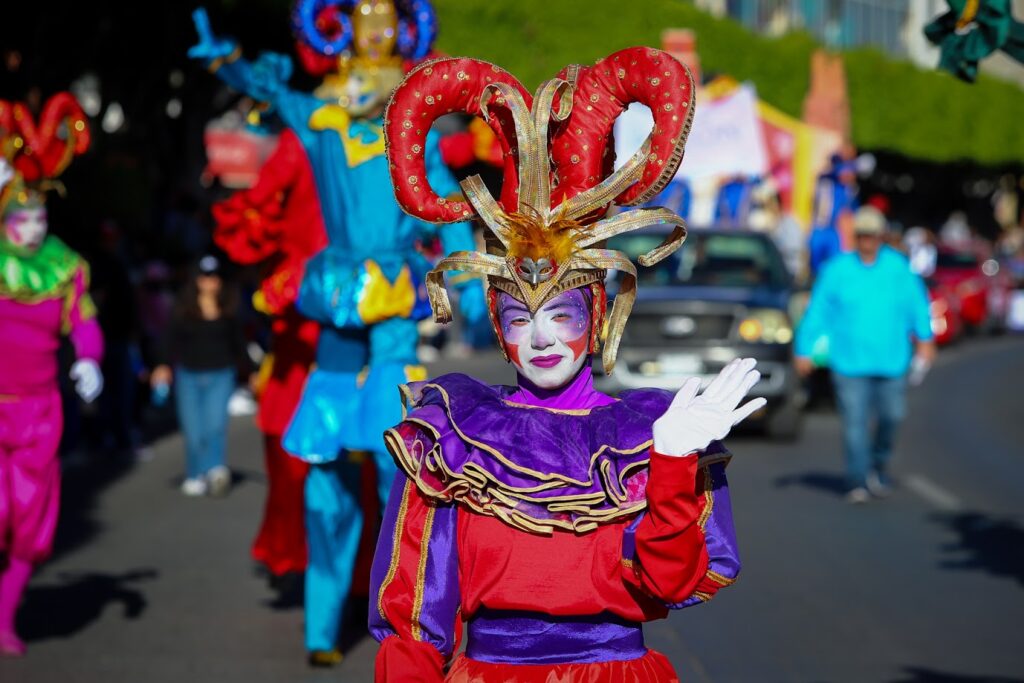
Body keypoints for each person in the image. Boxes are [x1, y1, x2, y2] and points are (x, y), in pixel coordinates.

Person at [370, 49, 765, 681]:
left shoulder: (647, 436)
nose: (543, 340)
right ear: (500, 330)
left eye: (564, 316)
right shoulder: (453, 438)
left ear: (600, 318)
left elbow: (670, 582)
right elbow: (415, 618)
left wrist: (668, 464)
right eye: (522, 319)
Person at [188, 0, 485, 664]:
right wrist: (233, 62)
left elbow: (445, 201)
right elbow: (276, 92)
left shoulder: (414, 128)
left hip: (394, 304)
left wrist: (466, 271)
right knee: (322, 466)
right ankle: (322, 626)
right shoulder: (320, 114)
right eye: (363, 15)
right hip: (336, 298)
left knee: (398, 464)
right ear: (342, 27)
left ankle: (407, 617)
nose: (374, 28)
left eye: (385, 16)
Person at [0, 93, 101, 657]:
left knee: (28, 524)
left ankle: (5, 616)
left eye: (41, 216)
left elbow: (84, 323)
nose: (35, 227)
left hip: (40, 411)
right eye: (23, 217)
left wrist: (87, 358)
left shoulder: (65, 266)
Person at [212, 128, 327, 586]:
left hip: (356, 331)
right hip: (297, 348)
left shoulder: (386, 132)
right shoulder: (303, 136)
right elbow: (254, 211)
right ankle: (307, 560)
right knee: (294, 464)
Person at [795, 207, 936, 503]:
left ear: (881, 237)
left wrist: (925, 339)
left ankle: (878, 466)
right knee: (854, 425)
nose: (867, 241)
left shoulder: (898, 267)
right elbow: (817, 310)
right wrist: (804, 349)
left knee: (891, 417)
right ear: (855, 237)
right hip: (849, 363)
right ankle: (857, 479)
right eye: (862, 235)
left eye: (872, 235)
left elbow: (917, 305)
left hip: (892, 361)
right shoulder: (837, 270)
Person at [151, 255, 250, 497]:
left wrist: (252, 373)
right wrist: (162, 365)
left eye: (214, 277)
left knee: (214, 425)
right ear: (197, 280)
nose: (209, 282)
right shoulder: (182, 307)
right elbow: (169, 338)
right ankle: (195, 472)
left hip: (220, 374)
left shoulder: (229, 309)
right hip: (189, 375)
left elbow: (240, 343)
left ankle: (214, 468)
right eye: (204, 277)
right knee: (193, 430)